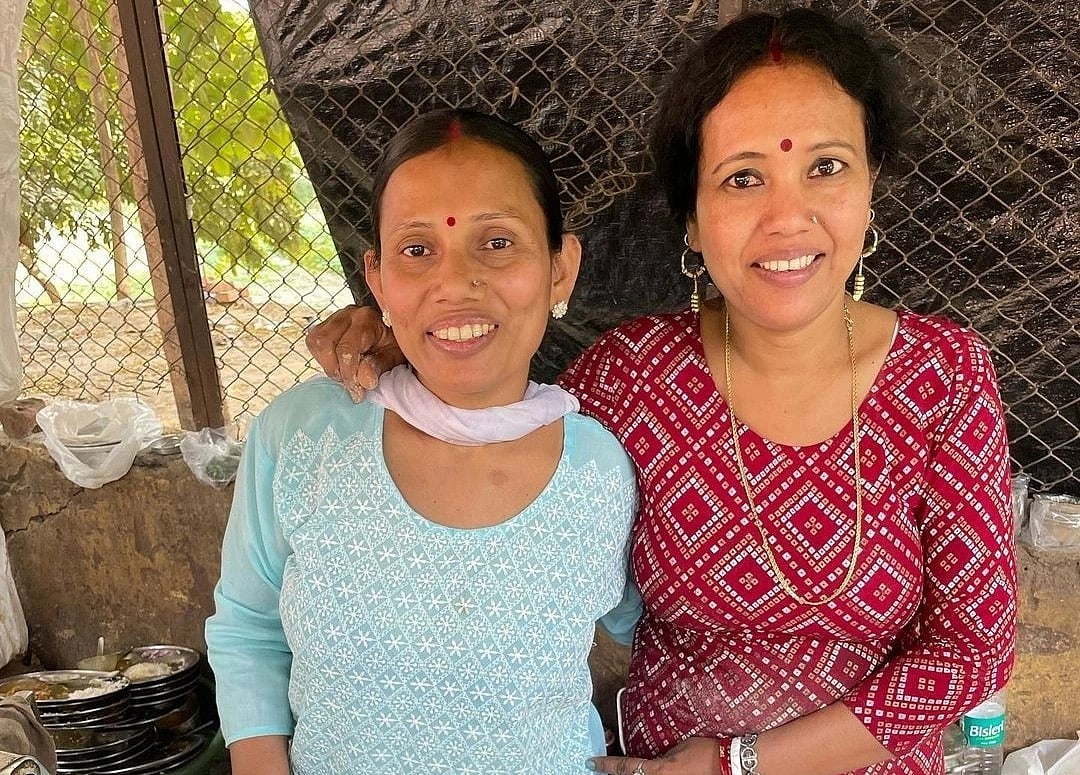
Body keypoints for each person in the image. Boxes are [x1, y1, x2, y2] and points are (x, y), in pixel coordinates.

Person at [305, 9, 1018, 775]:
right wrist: (408, 343)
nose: (787, 217)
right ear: (692, 219)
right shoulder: (630, 378)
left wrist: (732, 763)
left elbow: (973, 651)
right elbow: (488, 438)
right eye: (742, 178)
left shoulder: (945, 375)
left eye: (826, 167)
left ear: (871, 182)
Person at [205, 108, 642, 775]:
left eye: (497, 241)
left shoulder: (601, 467)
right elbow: (248, 628)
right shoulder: (304, 436)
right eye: (417, 249)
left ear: (561, 268)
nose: (455, 282)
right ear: (377, 277)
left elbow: (657, 627)